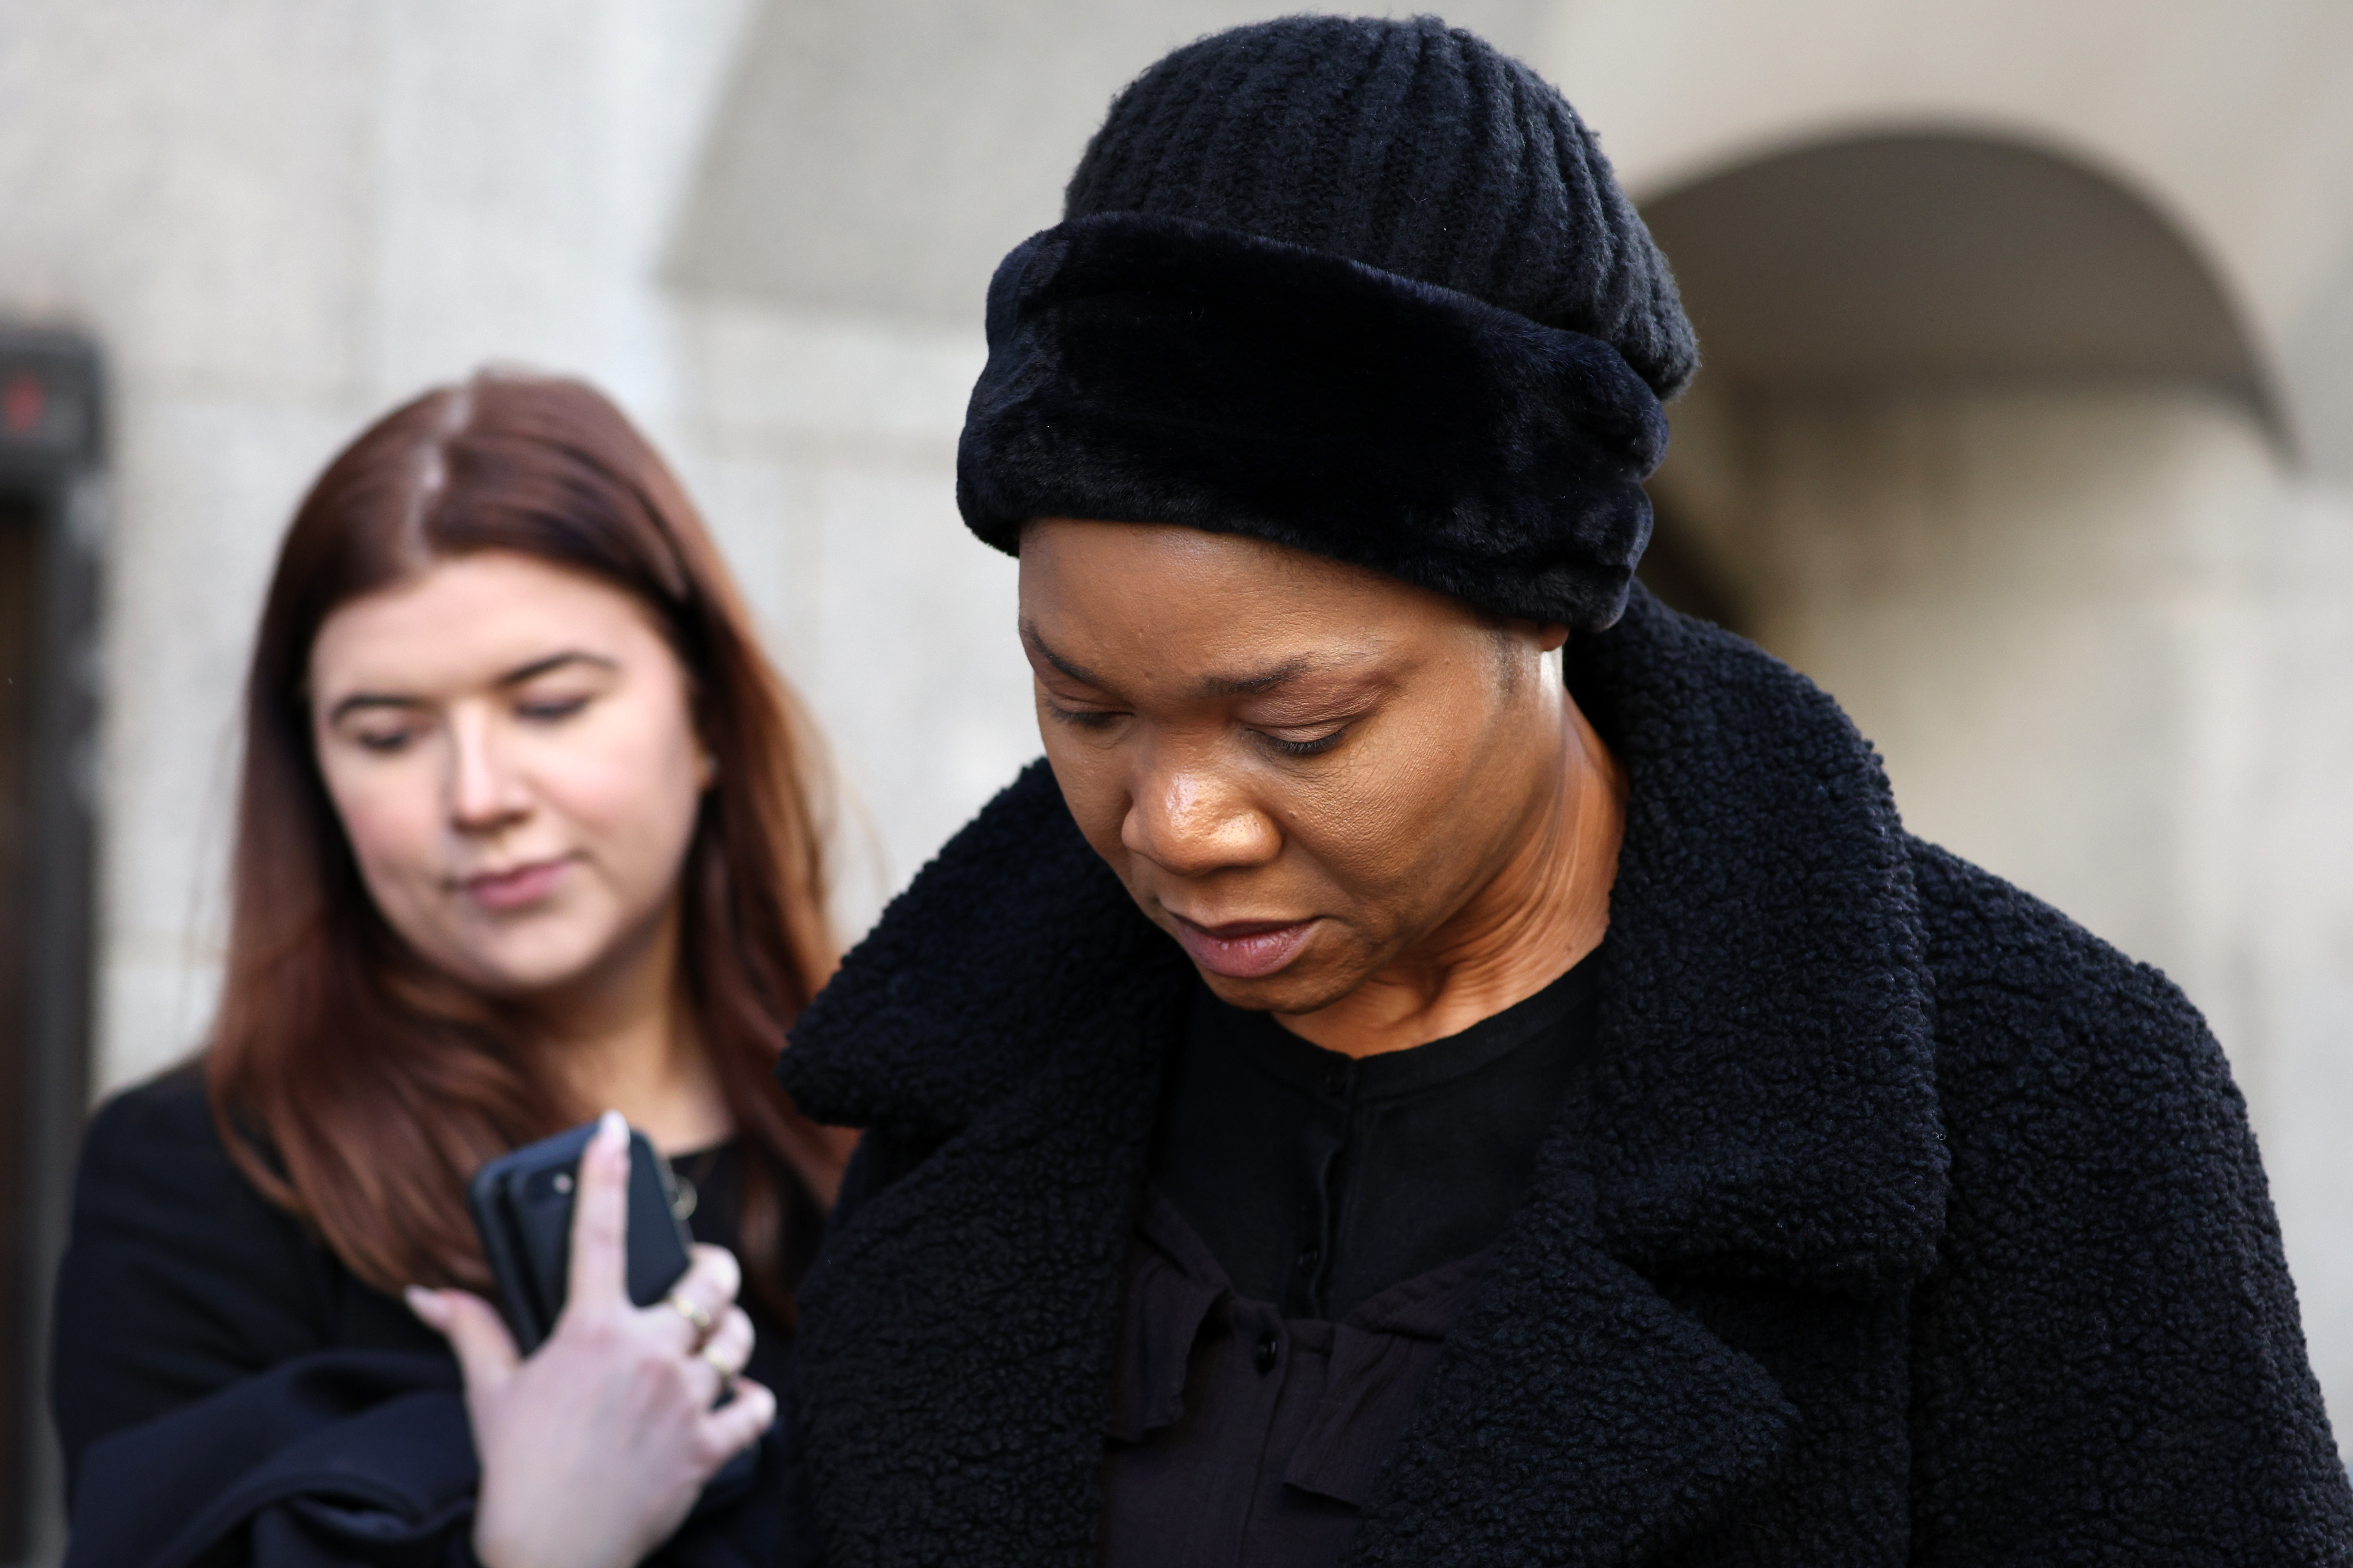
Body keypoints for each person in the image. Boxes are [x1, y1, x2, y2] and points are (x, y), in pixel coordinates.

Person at [770, 16, 2353, 1567]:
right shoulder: (970, 1082)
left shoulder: (2049, 1111)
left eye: (1301, 725)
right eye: (1085, 702)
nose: (1179, 825)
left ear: (1548, 607)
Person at [50, 370, 843, 1566]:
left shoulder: (901, 1128)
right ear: (314, 773)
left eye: (551, 705)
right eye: (388, 735)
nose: (477, 797)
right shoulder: (202, 1186)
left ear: (709, 718)